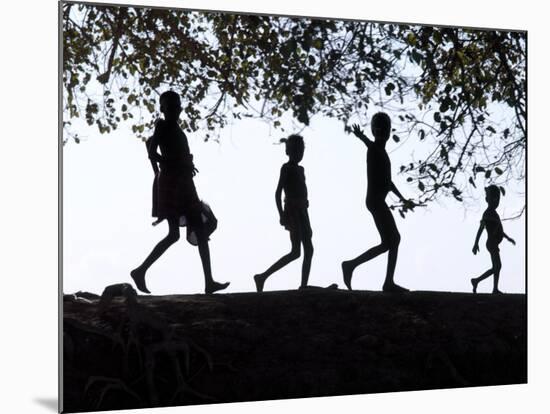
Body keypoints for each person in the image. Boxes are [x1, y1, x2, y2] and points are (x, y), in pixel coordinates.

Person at [131, 90, 229, 295]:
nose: (174, 109)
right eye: (169, 106)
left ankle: (208, 281)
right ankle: (140, 271)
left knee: (198, 231)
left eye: (176, 105)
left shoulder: (177, 129)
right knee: (174, 234)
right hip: (172, 183)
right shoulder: (163, 126)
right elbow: (151, 152)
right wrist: (168, 168)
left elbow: (177, 152)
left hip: (184, 182)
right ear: (163, 108)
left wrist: (186, 164)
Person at [341, 113, 415, 292]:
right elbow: (371, 146)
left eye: (385, 130)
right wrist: (362, 137)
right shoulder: (375, 150)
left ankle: (351, 265)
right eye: (381, 130)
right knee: (394, 239)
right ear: (378, 131)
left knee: (388, 242)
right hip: (375, 201)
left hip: (377, 201)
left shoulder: (379, 151)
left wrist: (403, 200)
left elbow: (388, 182)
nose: (383, 133)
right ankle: (386, 281)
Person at [253, 135, 314, 292]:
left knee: (309, 249)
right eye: (295, 150)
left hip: (303, 212)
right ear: (288, 151)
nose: (299, 153)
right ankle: (263, 276)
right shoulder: (286, 168)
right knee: (296, 252)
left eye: (301, 150)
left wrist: (306, 216)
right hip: (293, 211)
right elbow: (278, 192)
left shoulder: (301, 169)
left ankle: (304, 285)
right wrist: (281, 214)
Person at [471, 185, 516, 294]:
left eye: (497, 199)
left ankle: (479, 281)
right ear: (488, 199)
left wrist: (508, 238)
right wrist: (476, 243)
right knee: (497, 266)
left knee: (497, 266)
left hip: (494, 243)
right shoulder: (488, 213)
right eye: (494, 198)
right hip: (491, 243)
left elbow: (500, 230)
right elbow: (481, 229)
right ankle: (486, 284)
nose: (496, 201)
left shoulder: (494, 214)